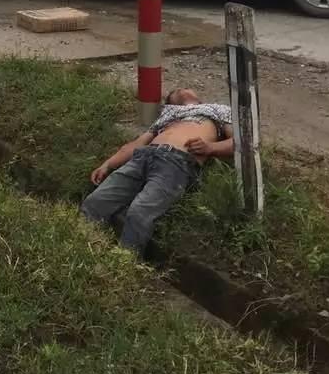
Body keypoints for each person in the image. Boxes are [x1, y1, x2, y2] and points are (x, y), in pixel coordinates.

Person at [80, 88, 234, 254]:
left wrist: (210, 148)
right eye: (177, 91)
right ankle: (80, 250)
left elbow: (240, 142)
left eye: (185, 88)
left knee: (139, 212)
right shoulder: (167, 115)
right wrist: (108, 164)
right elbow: (137, 144)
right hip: (142, 157)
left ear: (199, 97)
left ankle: (123, 263)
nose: (181, 90)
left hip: (177, 161)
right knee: (95, 201)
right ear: (170, 103)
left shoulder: (217, 109)